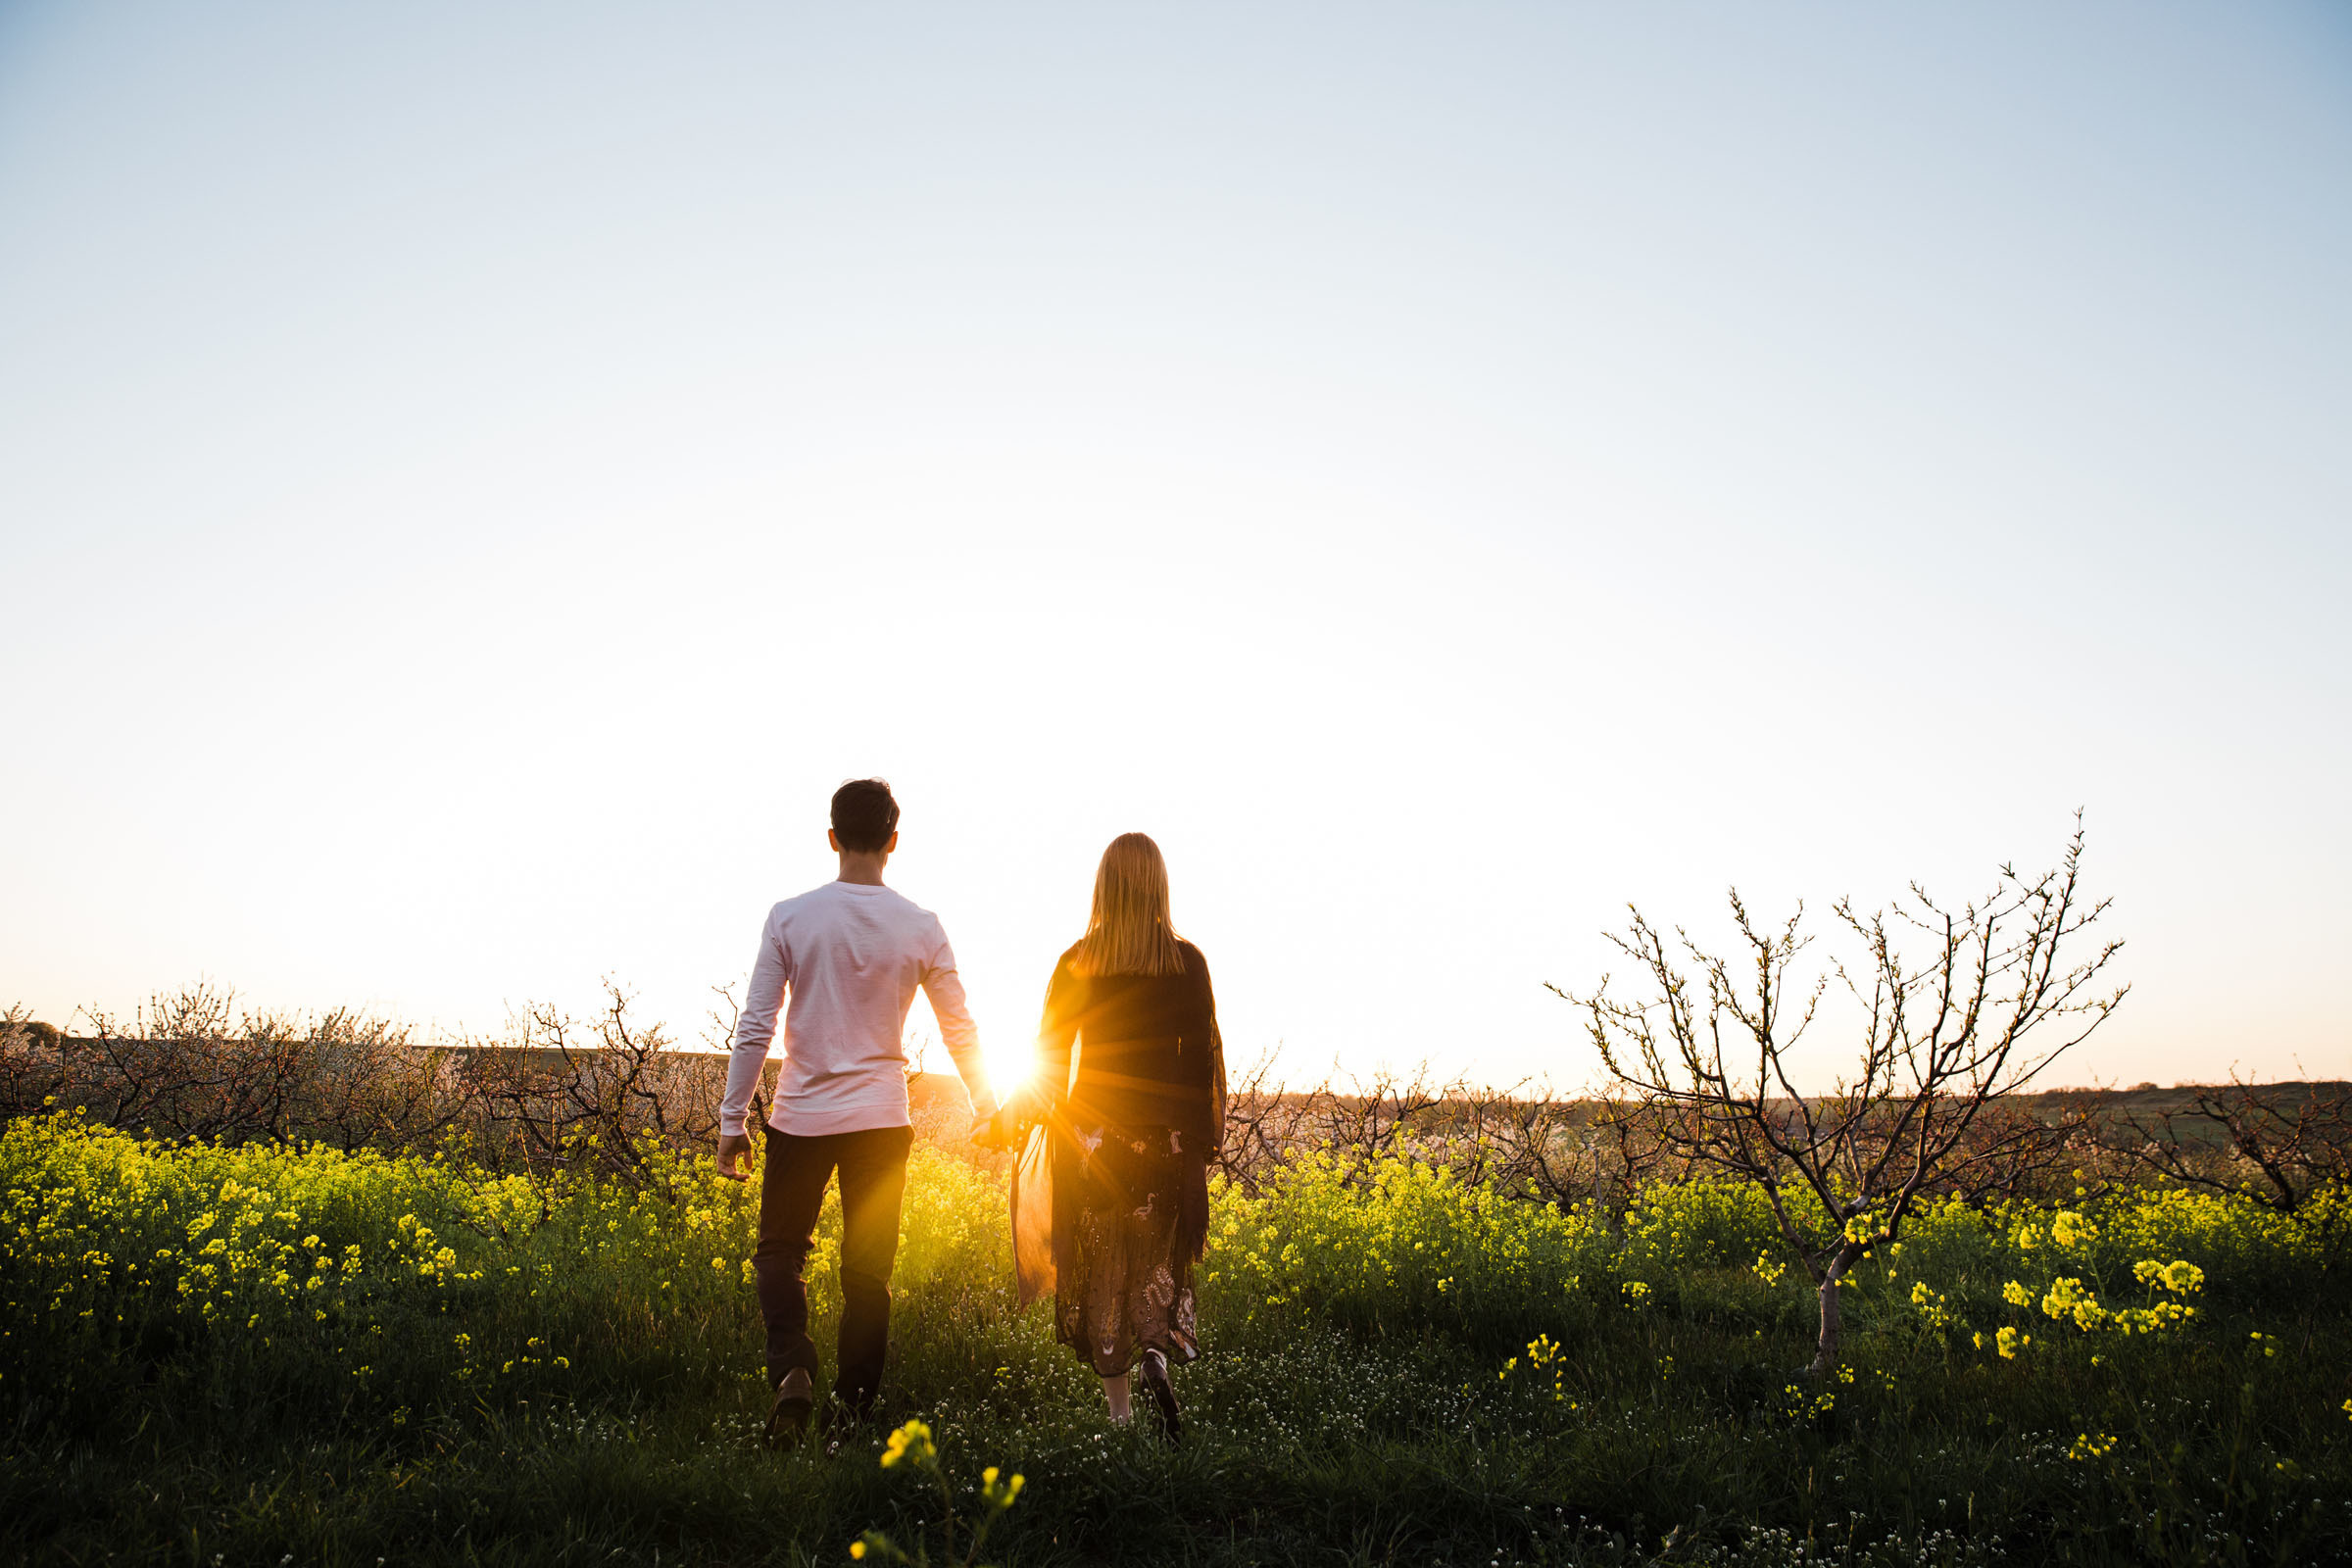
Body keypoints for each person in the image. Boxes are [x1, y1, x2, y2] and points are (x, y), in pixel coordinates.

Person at [716, 778, 997, 1446]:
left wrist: (733, 1123)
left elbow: (756, 1024)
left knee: (779, 1255)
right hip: (881, 1120)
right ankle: (852, 1417)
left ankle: (792, 1373)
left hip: (800, 1118)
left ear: (834, 838)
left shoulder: (791, 916)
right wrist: (986, 1102)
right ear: (893, 842)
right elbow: (960, 1027)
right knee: (867, 1273)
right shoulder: (921, 926)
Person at [993, 832, 1226, 1439]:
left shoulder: (1078, 962)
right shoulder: (1187, 962)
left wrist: (1010, 1117)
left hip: (1091, 1140)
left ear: (1103, 884)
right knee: (1154, 1263)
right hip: (1163, 1143)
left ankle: (1120, 1419)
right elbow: (1203, 1064)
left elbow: (1045, 1055)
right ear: (1159, 885)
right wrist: (1196, 1143)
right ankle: (1154, 1355)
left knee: (1103, 1273)